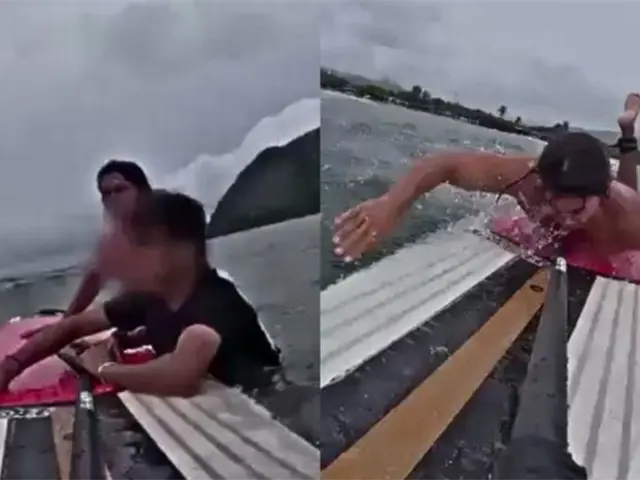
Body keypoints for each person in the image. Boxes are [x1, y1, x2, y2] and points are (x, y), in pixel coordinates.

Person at [0, 190, 281, 396]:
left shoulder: (218, 301)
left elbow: (180, 376)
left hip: (270, 407)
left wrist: (103, 368)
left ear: (184, 250)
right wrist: (11, 366)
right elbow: (74, 326)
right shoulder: (151, 296)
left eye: (145, 244)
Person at [333, 128, 640, 263]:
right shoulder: (526, 178)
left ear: (601, 195)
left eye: (576, 212)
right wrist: (391, 203)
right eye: (551, 203)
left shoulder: (627, 219)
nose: (564, 220)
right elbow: (446, 163)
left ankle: (629, 136)